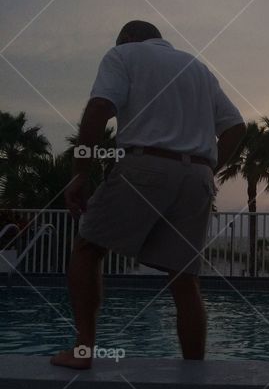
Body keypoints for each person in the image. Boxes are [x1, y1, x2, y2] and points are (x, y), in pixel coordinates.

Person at [51, 20, 245, 369]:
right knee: (184, 278)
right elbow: (235, 127)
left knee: (88, 247)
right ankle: (194, 371)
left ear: (125, 39)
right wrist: (208, 170)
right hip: (197, 174)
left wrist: (80, 172)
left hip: (146, 165)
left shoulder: (123, 55)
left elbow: (99, 107)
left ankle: (82, 350)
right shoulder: (196, 67)